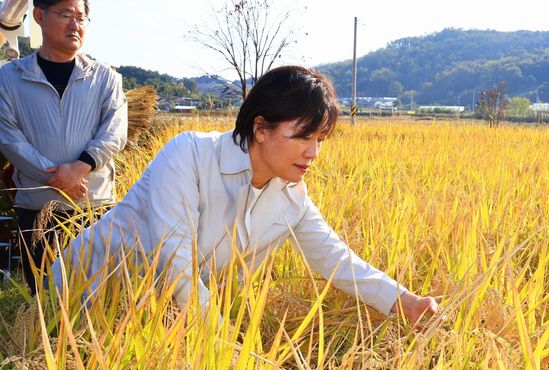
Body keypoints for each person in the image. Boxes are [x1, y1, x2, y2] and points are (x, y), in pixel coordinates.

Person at [53, 65, 437, 323]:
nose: (313, 152)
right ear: (261, 128)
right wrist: (230, 353)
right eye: (302, 136)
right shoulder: (188, 155)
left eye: (320, 139)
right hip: (78, 295)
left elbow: (336, 260)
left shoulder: (291, 198)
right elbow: (177, 269)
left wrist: (405, 302)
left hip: (146, 314)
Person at [0, 0, 128, 294]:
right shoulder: (9, 78)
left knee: (94, 301)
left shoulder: (104, 77)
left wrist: (81, 166)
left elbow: (115, 130)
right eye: (66, 14)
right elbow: (8, 137)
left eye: (81, 17)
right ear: (39, 16)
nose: (75, 24)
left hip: (93, 208)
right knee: (43, 302)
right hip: (38, 208)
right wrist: (55, 176)